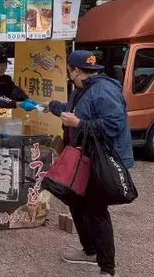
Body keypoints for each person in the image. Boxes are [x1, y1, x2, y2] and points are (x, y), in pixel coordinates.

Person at [45, 50, 134, 277]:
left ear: (76, 71)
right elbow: (74, 110)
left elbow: (114, 125)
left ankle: (107, 268)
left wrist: (79, 123)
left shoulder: (104, 90)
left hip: (102, 159)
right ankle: (90, 250)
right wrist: (52, 106)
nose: (69, 75)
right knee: (74, 200)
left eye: (69, 71)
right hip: (83, 156)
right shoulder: (82, 89)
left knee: (96, 210)